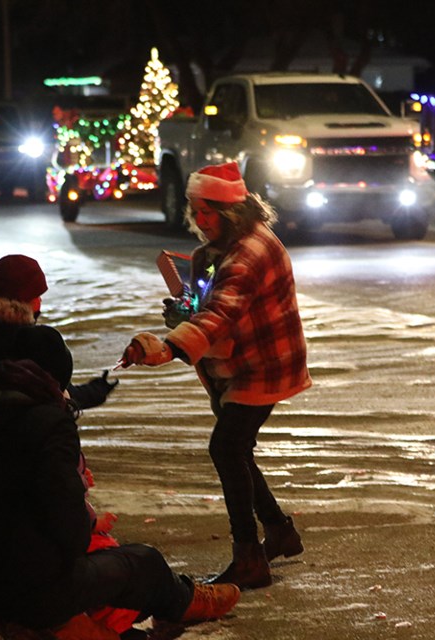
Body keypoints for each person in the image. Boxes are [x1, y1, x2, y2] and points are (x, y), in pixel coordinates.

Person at [0, 325, 241, 636]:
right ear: (56, 376)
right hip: (25, 591)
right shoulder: (49, 424)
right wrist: (87, 532)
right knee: (142, 562)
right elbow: (66, 521)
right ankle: (186, 600)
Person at [119, 162, 311, 589]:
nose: (198, 221)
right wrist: (185, 312)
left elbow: (223, 310)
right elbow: (210, 303)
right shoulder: (218, 249)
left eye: (206, 212)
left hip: (263, 364)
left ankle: (249, 558)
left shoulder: (251, 251)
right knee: (236, 449)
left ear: (230, 212)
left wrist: (168, 346)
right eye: (195, 211)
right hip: (234, 364)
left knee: (227, 447)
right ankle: (278, 531)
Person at [0, 253, 119, 410]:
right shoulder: (31, 341)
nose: (40, 300)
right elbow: (57, 392)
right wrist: (97, 391)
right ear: (23, 299)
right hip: (27, 430)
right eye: (37, 295)